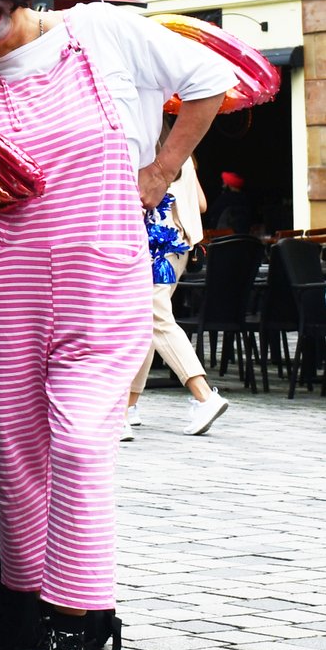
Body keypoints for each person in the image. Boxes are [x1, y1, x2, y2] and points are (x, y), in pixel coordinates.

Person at [0, 0, 235, 650]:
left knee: (84, 445)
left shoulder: (102, 35)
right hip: (2, 284)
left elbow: (209, 81)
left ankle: (71, 641)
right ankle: (32, 629)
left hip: (99, 274)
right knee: (18, 460)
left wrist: (157, 172)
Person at [124, 151, 229, 439]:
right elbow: (202, 204)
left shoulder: (141, 154)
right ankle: (127, 407)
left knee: (156, 319)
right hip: (178, 249)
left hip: (153, 248)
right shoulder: (184, 155)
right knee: (146, 321)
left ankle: (204, 395)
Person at [206, 170, 253, 234]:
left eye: (224, 183)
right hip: (243, 238)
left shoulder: (224, 199)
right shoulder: (246, 200)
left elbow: (212, 213)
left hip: (222, 238)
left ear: (229, 185)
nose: (223, 186)